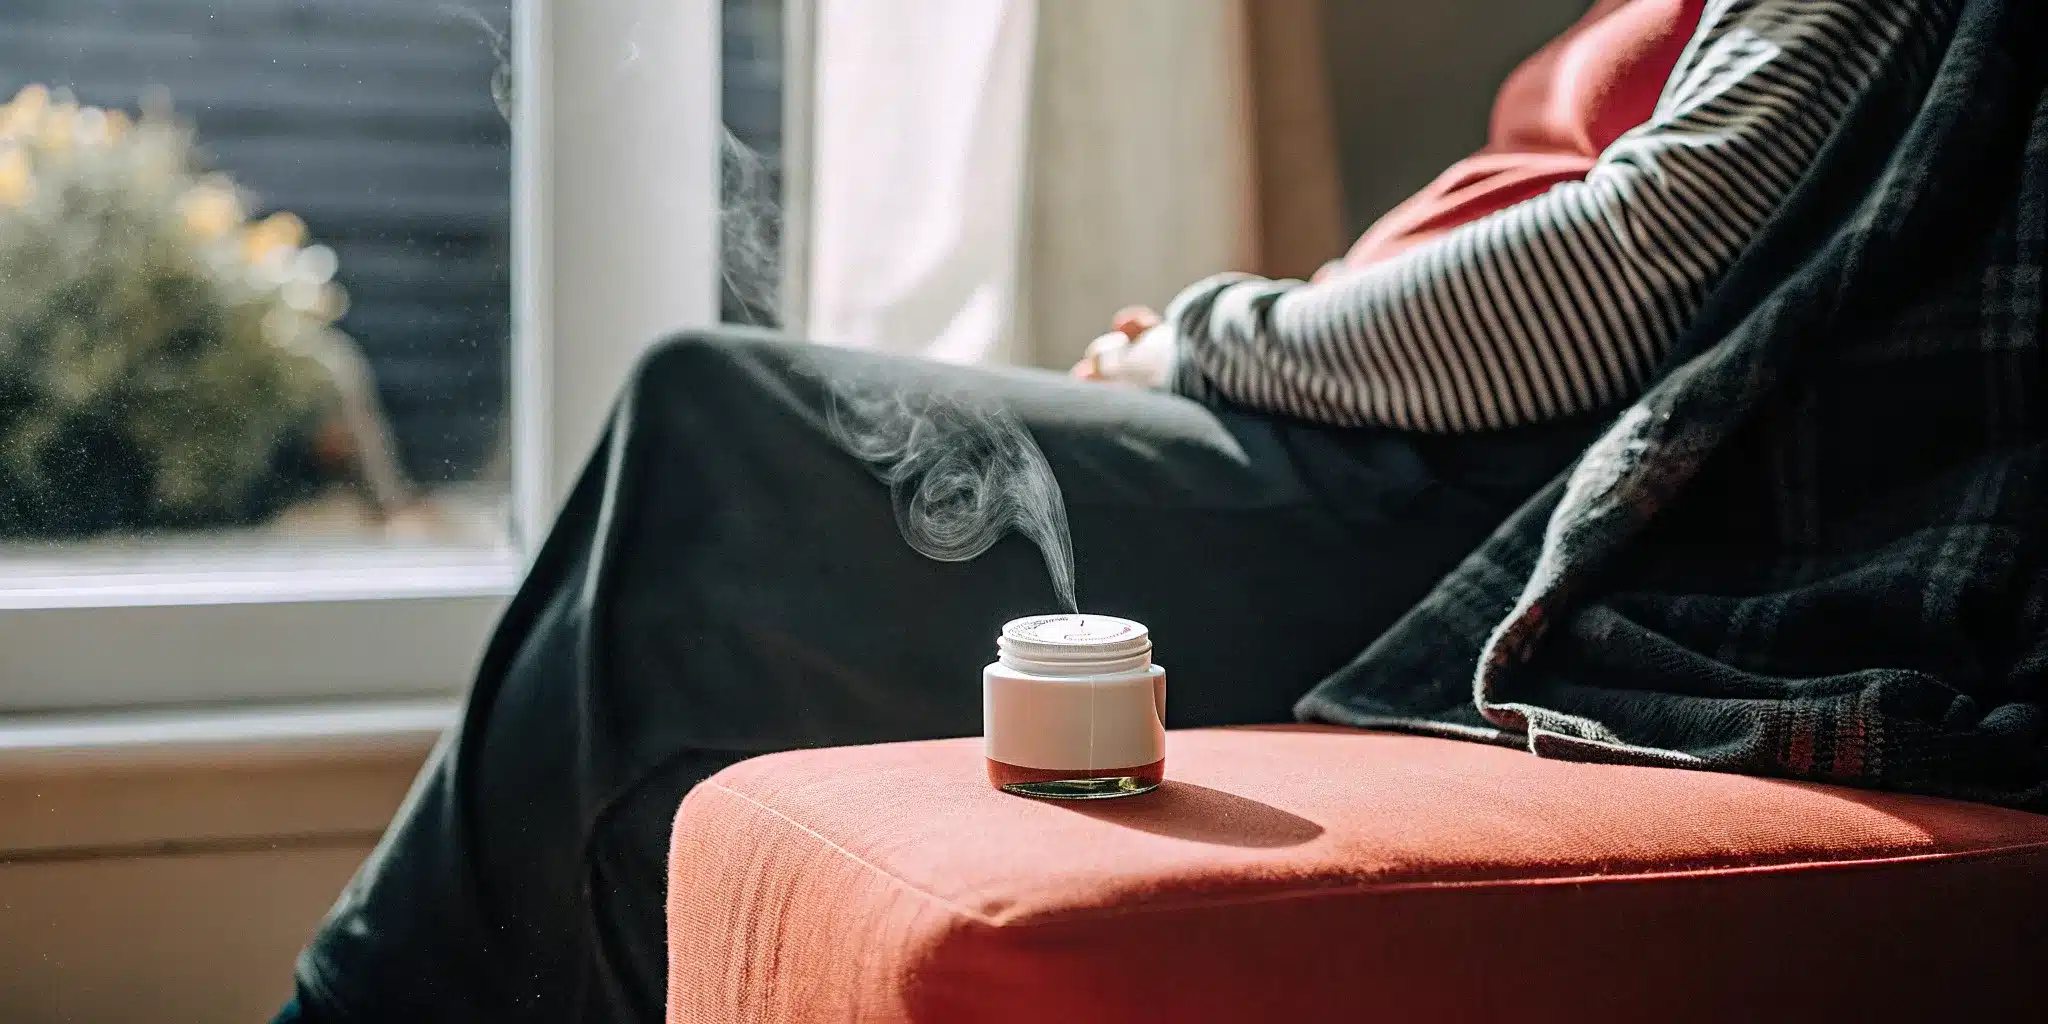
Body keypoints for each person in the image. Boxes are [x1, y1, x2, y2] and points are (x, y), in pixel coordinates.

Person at [278, 1, 1938, 1020]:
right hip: (1404, 452)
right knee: (682, 486)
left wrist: (1217, 342)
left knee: (718, 426)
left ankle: (354, 1011)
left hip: (1494, 519)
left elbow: (1627, 275)